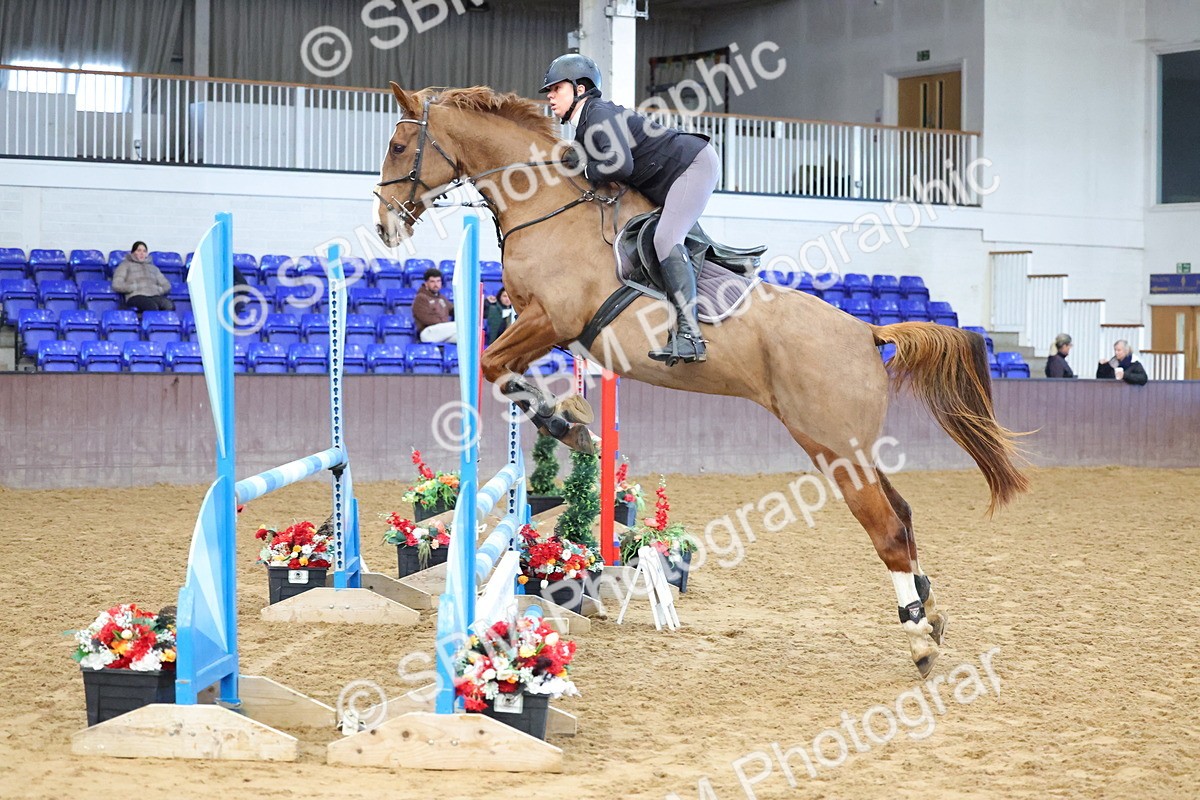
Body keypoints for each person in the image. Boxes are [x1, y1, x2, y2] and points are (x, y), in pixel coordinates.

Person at [541, 53, 717, 366]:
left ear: (580, 89)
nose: (550, 96)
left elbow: (620, 164)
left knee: (665, 239)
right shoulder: (585, 125)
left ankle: (690, 335)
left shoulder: (598, 114)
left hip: (692, 165)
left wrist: (586, 167)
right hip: (668, 177)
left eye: (556, 89)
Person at [111, 241, 174, 312]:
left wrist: (159, 290)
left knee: (169, 305)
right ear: (133, 253)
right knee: (151, 306)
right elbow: (116, 284)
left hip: (153, 295)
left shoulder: (153, 268)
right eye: (139, 250)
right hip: (135, 296)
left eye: (144, 251)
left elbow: (166, 285)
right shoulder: (125, 265)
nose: (142, 253)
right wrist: (132, 287)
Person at [412, 267, 455, 343]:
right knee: (459, 326)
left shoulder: (441, 298)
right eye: (432, 281)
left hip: (441, 332)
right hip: (428, 332)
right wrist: (443, 322)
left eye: (438, 281)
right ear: (426, 283)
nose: (436, 284)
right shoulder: (420, 298)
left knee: (465, 338)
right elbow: (425, 319)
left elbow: (453, 310)